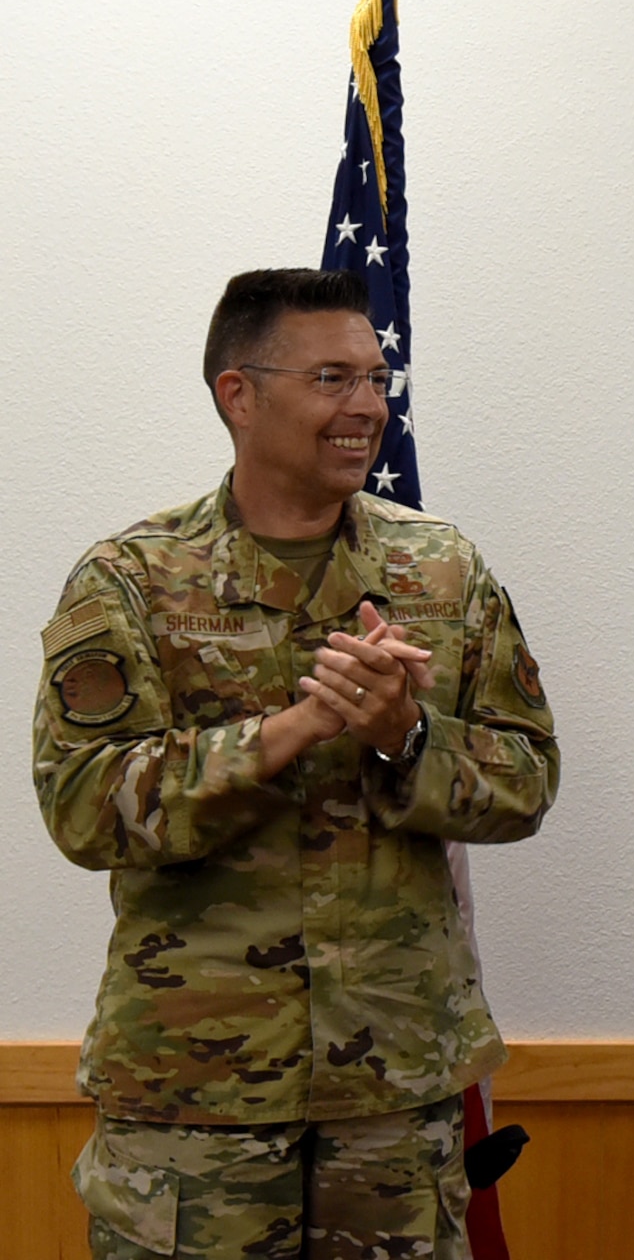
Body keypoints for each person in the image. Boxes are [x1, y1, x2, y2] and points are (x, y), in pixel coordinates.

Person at [32, 269, 559, 1259]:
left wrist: (406, 738)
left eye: (374, 377)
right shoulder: (131, 577)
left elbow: (526, 777)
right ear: (240, 393)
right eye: (331, 378)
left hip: (395, 1094)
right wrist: (288, 730)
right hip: (193, 1099)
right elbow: (82, 803)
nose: (366, 406)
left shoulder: (442, 570)